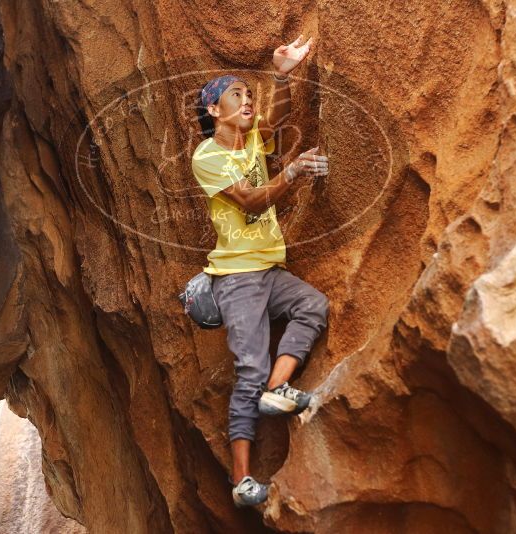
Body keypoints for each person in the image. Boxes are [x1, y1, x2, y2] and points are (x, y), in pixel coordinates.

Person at [191, 34, 330, 508]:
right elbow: (250, 199)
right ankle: (242, 481)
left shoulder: (252, 139)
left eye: (249, 96)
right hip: (236, 279)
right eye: (237, 96)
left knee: (313, 305)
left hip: (270, 270)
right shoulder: (207, 156)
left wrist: (281, 75)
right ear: (214, 111)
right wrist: (290, 173)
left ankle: (279, 388)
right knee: (247, 369)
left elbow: (278, 117)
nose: (247, 101)